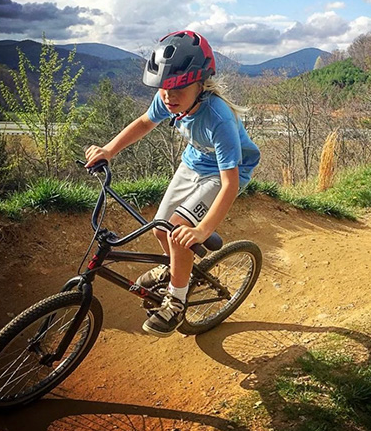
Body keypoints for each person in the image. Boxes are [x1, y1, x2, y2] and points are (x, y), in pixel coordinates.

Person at [84, 30, 260, 336]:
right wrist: (109, 150)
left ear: (202, 84)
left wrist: (202, 229)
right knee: (160, 226)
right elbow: (143, 123)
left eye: (179, 87)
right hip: (193, 164)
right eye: (164, 87)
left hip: (224, 173)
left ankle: (176, 303)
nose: (169, 96)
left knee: (180, 227)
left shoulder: (218, 118)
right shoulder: (167, 100)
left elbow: (229, 184)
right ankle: (176, 267)